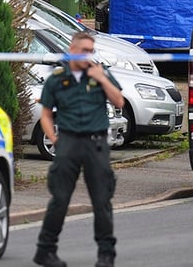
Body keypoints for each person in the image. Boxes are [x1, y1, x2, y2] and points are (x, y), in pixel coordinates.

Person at [33, 32, 125, 267]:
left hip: (95, 144)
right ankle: (45, 250)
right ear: (72, 49)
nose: (87, 55)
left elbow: (119, 101)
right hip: (69, 142)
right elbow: (45, 113)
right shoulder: (57, 78)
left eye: (90, 51)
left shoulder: (99, 72)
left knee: (102, 199)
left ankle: (106, 254)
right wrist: (54, 138)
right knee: (60, 199)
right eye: (83, 50)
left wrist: (102, 78)